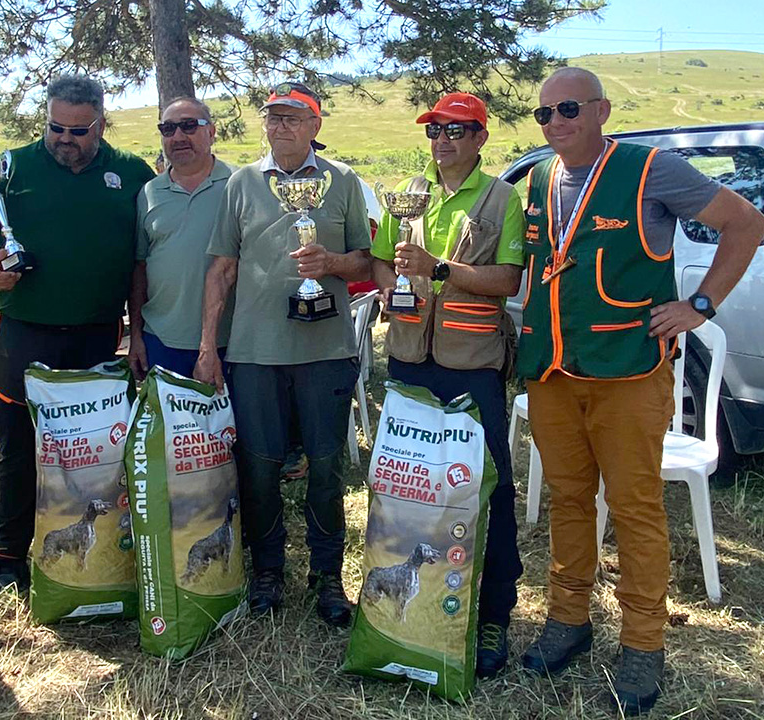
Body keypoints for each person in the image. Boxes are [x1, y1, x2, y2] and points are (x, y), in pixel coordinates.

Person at [517, 67, 764, 715]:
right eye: (544, 113)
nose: (555, 122)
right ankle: (568, 622)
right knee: (569, 501)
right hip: (553, 371)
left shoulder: (651, 168)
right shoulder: (540, 178)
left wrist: (700, 305)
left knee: (634, 508)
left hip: (628, 370)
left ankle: (643, 644)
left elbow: (747, 224)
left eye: (568, 107)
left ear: (600, 109)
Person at [0, 74, 154, 593]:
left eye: (78, 130)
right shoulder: (11, 167)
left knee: (93, 448)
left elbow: (142, 260)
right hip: (23, 332)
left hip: (97, 335)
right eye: (55, 128)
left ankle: (100, 545)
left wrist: (137, 331)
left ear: (101, 124)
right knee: (18, 445)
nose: (65, 139)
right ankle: (7, 554)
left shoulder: (131, 172)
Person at [195, 81, 372, 628]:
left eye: (294, 118)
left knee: (325, 465)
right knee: (261, 465)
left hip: (325, 351)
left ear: (316, 126)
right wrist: (208, 345)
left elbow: (366, 261)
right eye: (273, 117)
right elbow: (222, 266)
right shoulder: (242, 183)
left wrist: (331, 265)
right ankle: (267, 570)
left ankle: (328, 575)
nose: (281, 127)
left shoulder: (343, 182)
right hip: (254, 353)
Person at [369, 92, 525, 677]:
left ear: (481, 138)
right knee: (407, 489)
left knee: (488, 491)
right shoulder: (410, 191)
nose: (443, 139)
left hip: (473, 369)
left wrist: (439, 267)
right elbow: (382, 258)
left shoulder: (502, 198)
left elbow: (507, 279)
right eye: (435, 128)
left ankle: (493, 615)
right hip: (410, 363)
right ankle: (410, 601)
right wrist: (389, 286)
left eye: (458, 130)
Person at [128, 97, 233, 380]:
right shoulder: (148, 193)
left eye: (189, 126)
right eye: (168, 129)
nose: (178, 136)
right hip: (161, 341)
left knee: (230, 426)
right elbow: (140, 269)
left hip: (231, 343)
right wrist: (136, 337)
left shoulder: (239, 184)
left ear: (211, 132)